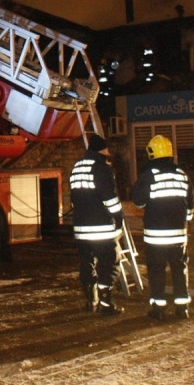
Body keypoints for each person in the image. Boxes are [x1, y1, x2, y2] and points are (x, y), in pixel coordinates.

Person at [131, 134, 194, 321]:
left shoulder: (149, 175)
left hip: (156, 237)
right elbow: (190, 205)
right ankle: (182, 309)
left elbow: (138, 202)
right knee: (179, 270)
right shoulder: (182, 175)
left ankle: (158, 310)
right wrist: (184, 222)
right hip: (178, 236)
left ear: (151, 153)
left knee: (157, 271)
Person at [69, 133, 125, 316]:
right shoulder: (102, 168)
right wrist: (119, 219)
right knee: (108, 264)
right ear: (102, 149)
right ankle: (106, 303)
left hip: (81, 228)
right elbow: (109, 198)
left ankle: (90, 300)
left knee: (87, 263)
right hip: (101, 228)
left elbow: (73, 197)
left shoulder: (77, 167)